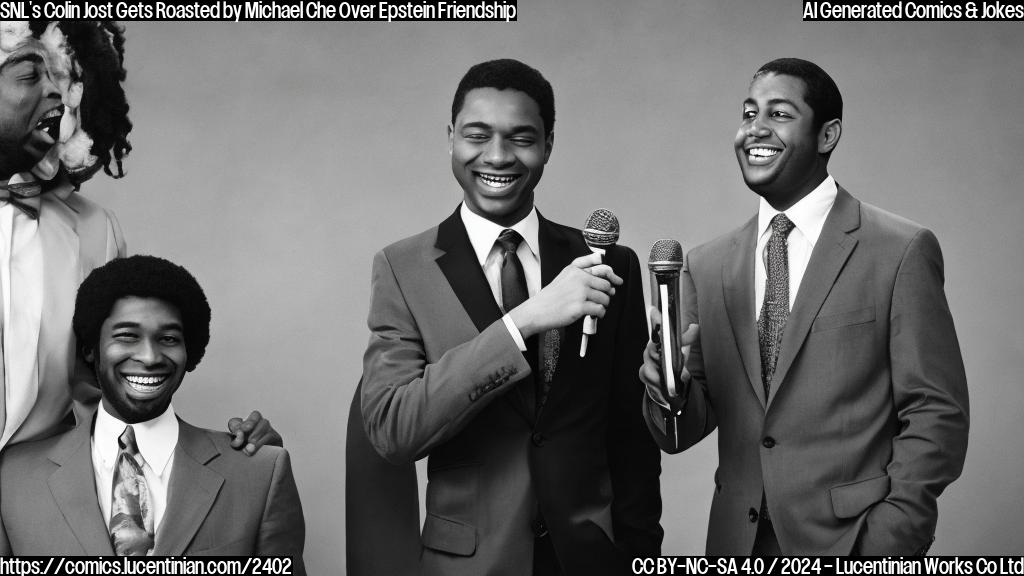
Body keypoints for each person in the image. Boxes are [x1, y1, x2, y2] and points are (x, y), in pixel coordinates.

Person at [640, 58, 969, 556]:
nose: (755, 129)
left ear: (827, 134)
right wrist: (668, 386)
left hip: (853, 543)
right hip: (735, 546)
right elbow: (680, 433)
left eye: (779, 114)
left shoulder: (900, 250)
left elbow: (936, 411)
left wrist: (892, 537)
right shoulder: (706, 265)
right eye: (749, 113)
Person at [360, 59, 662, 575]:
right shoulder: (402, 268)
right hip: (469, 563)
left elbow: (631, 437)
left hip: (592, 559)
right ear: (451, 137)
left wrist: (638, 558)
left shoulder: (609, 263)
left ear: (548, 144)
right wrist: (522, 323)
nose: (497, 156)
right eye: (477, 136)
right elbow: (393, 430)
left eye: (521, 138)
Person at [0, 20, 275, 452]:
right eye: (31, 75)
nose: (56, 92)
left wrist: (229, 454)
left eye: (62, 77)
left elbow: (106, 391)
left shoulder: (94, 229)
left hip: (37, 500)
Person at [0, 255, 305, 568]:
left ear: (190, 350)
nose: (149, 356)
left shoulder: (260, 472)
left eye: (168, 338)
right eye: (127, 336)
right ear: (91, 347)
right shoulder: (11, 477)